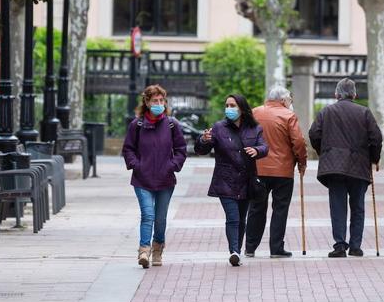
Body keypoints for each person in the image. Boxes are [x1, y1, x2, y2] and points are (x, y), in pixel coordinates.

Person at [308, 78, 382, 258]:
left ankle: (340, 245)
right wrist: (374, 158)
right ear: (354, 94)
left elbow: (313, 134)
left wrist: (324, 152)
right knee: (358, 207)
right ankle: (355, 246)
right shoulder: (364, 112)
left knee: (338, 206)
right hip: (359, 165)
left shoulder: (326, 111)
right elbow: (376, 138)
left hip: (334, 167)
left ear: (336, 94)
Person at [195, 93, 268, 267]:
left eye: (233, 105)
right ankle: (234, 251)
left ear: (242, 109)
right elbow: (202, 150)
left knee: (242, 219)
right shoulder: (219, 128)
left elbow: (265, 147)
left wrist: (257, 150)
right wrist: (203, 140)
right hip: (225, 180)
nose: (229, 109)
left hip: (247, 180)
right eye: (227, 105)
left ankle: (238, 250)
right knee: (233, 218)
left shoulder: (254, 128)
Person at [121, 84, 188, 269]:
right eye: (154, 100)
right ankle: (144, 250)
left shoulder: (172, 124)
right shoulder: (137, 125)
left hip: (165, 179)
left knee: (160, 218)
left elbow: (181, 149)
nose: (158, 103)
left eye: (161, 100)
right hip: (142, 179)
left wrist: (172, 165)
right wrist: (137, 165)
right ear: (147, 102)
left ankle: (158, 248)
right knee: (147, 215)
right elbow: (128, 149)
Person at [245, 86, 307, 258]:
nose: (290, 103)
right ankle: (276, 248)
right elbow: (299, 142)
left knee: (256, 208)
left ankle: (250, 247)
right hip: (283, 170)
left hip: (257, 168)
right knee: (280, 209)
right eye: (289, 100)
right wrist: (302, 161)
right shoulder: (288, 115)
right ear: (283, 100)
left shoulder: (254, 113)